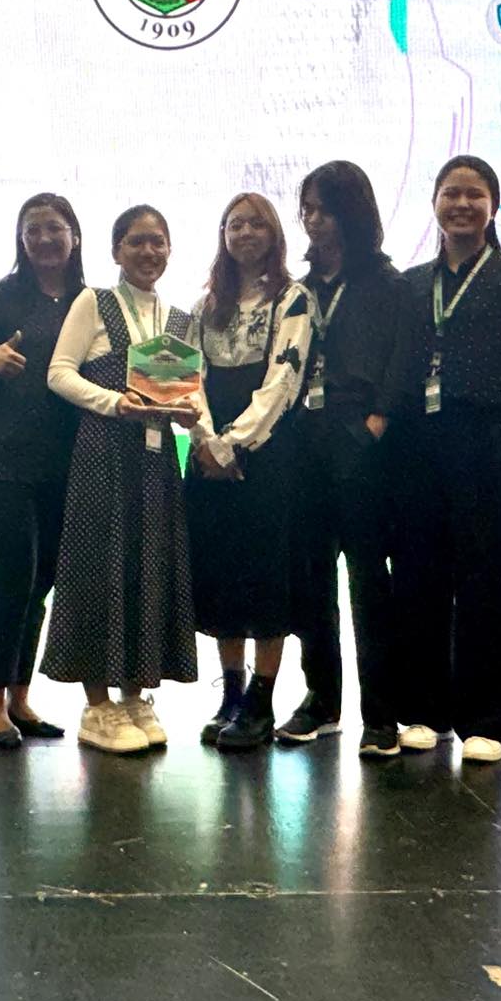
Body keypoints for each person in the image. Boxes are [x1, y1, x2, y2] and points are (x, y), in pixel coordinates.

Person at [384, 155, 501, 765]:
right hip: (418, 443)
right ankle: (422, 710)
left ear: (493, 205)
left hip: (490, 439)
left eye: (474, 195)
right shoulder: (410, 283)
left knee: (491, 577)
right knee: (418, 575)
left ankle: (485, 719)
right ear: (434, 202)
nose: (461, 204)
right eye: (451, 193)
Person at [42, 204, 201, 753]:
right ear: (116, 250)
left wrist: (192, 414)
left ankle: (134, 696)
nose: (148, 252)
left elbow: (190, 390)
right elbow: (58, 373)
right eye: (136, 241)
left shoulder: (178, 319)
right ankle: (96, 706)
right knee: (96, 567)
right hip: (102, 454)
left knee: (146, 567)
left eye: (158, 241)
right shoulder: (94, 302)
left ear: (170, 249)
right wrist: (113, 403)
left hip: (156, 462)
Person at [282, 161, 409, 758]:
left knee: (368, 581)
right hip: (304, 442)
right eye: (307, 209)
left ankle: (381, 714)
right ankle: (321, 701)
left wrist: (377, 421)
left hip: (362, 444)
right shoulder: (299, 288)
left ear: (352, 214)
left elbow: (403, 360)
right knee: (311, 579)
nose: (313, 220)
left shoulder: (388, 284)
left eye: (325, 210)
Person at [0, 192, 87, 747]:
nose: (45, 239)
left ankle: (20, 697)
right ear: (21, 239)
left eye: (55, 229)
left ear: (74, 235)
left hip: (66, 464)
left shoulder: (89, 301)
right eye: (34, 230)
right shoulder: (1, 297)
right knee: (12, 578)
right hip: (0, 461)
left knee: (42, 581)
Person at [186, 193, 312, 751]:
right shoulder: (205, 304)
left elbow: (284, 380)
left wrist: (235, 445)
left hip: (269, 457)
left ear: (274, 233)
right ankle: (231, 694)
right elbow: (188, 378)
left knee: (266, 576)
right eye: (234, 224)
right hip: (207, 454)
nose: (244, 233)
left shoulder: (293, 298)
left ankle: (262, 700)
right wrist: (207, 442)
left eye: (256, 223)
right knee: (222, 575)